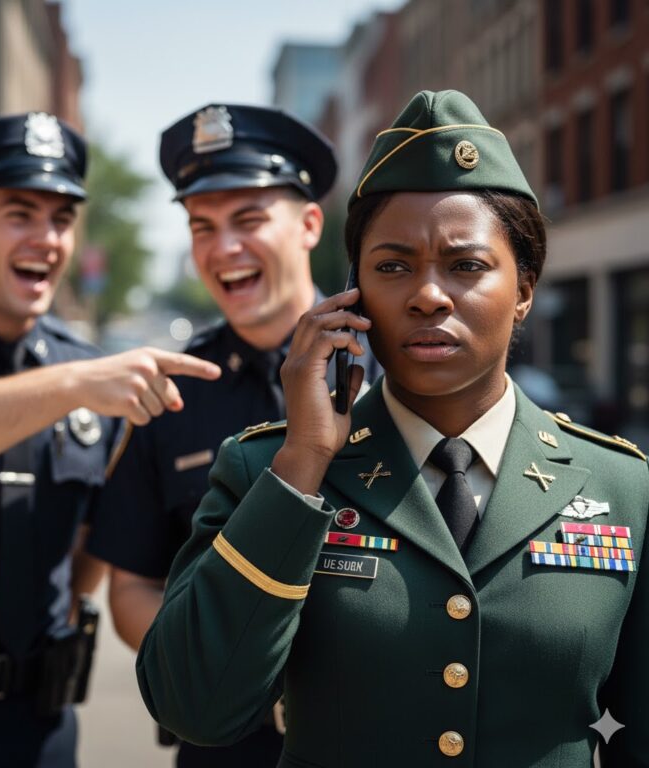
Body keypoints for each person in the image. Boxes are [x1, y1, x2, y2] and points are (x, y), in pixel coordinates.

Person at [135, 90, 649, 767]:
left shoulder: (621, 485)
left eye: (466, 265)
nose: (428, 294)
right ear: (353, 293)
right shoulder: (270, 469)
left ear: (524, 287)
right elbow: (193, 706)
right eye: (393, 266)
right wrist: (304, 460)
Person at [0, 112, 220, 768]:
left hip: (39, 729)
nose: (47, 239)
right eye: (19, 213)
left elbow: (91, 542)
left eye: (62, 219)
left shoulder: (81, 369)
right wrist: (67, 386)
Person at [87, 103, 380, 767]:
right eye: (202, 227)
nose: (223, 249)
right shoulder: (171, 392)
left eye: (248, 220)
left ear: (310, 224)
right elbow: (131, 586)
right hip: (227, 745)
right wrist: (212, 658)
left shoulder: (390, 363)